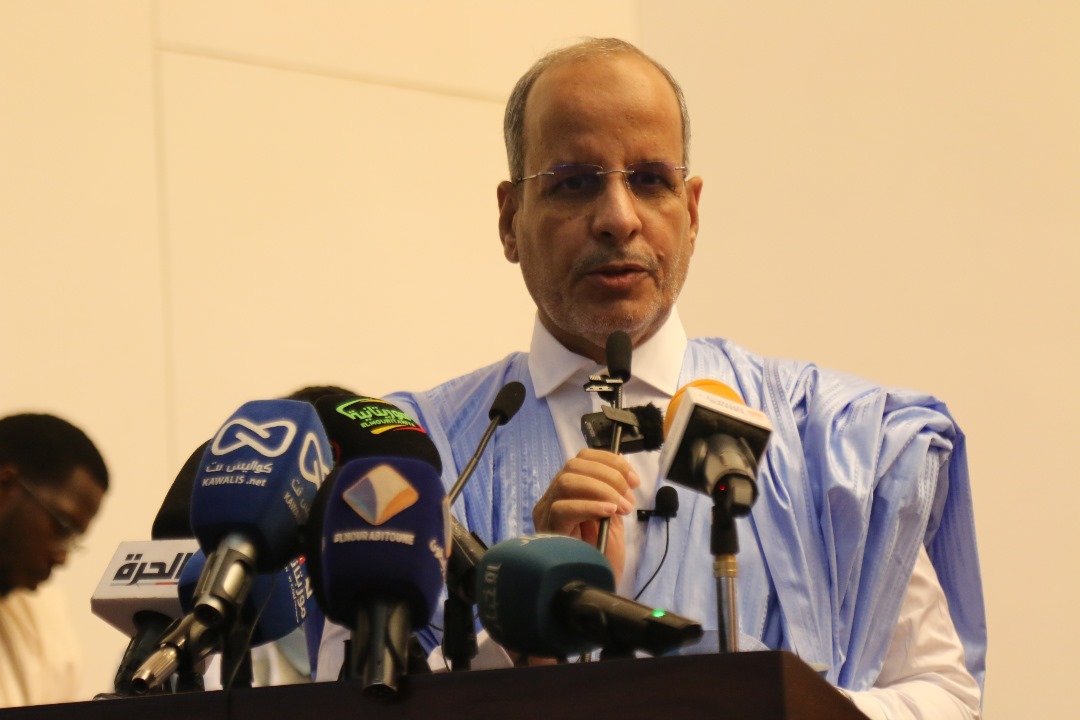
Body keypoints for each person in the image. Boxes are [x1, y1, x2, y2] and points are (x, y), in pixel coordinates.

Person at [317, 38, 986, 719]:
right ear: (510, 220)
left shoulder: (830, 439)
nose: (619, 218)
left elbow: (944, 695)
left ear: (691, 214)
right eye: (575, 181)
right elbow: (344, 702)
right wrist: (516, 642)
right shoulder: (409, 456)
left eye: (649, 180)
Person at [0, 413, 109, 707]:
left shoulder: (43, 617)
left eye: (73, 539)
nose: (62, 557)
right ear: (5, 485)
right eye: (61, 528)